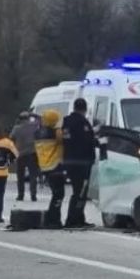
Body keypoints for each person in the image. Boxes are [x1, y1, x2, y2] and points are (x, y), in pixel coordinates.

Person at [61, 98, 97, 229]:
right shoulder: (82, 122)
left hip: (69, 161)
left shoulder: (66, 122)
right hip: (81, 163)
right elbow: (87, 141)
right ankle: (72, 219)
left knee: (79, 191)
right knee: (80, 192)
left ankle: (79, 218)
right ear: (85, 109)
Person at [35, 110, 66, 228]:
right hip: (55, 166)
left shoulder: (38, 133)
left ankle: (50, 218)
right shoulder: (55, 132)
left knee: (56, 194)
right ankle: (53, 220)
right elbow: (62, 140)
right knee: (59, 194)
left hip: (45, 166)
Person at [11, 112, 39, 202]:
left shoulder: (16, 128)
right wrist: (33, 114)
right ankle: (33, 195)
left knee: (20, 176)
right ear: (28, 118)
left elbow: (11, 137)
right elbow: (41, 120)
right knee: (33, 176)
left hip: (20, 154)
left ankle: (20, 195)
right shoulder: (33, 126)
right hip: (32, 153)